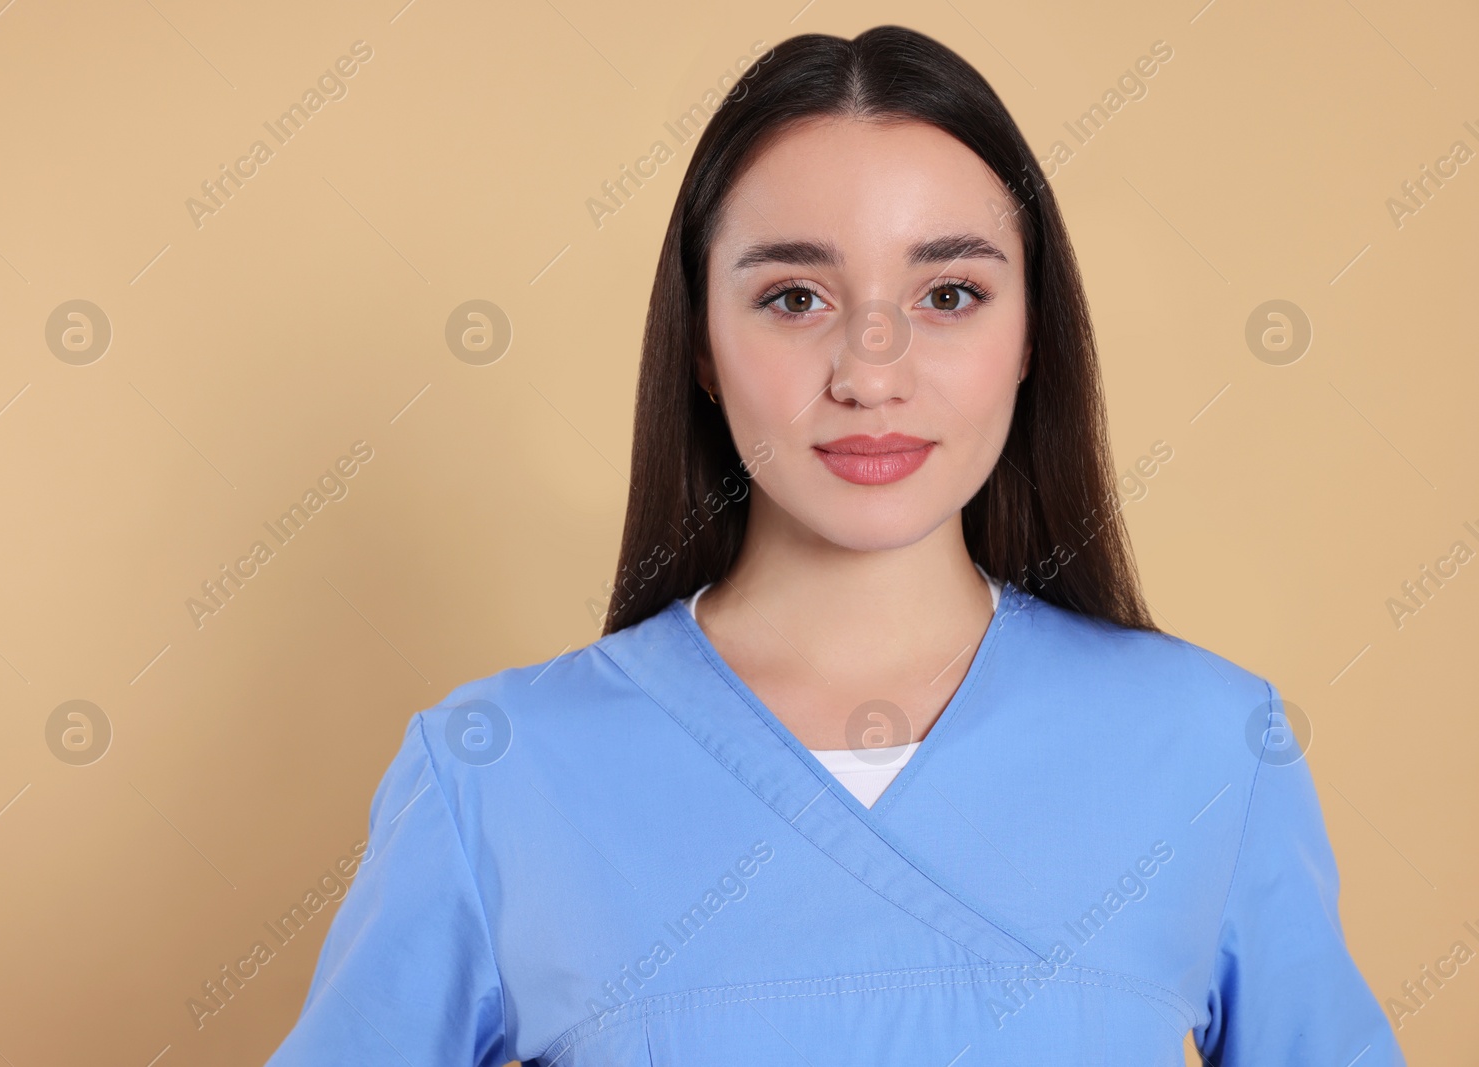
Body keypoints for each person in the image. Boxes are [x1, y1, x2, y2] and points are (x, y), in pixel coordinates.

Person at [267, 24, 1404, 1065]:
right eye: (796, 297)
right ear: (701, 343)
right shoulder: (495, 771)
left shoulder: (1206, 749)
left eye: (950, 292)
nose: (870, 371)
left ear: (1029, 338)